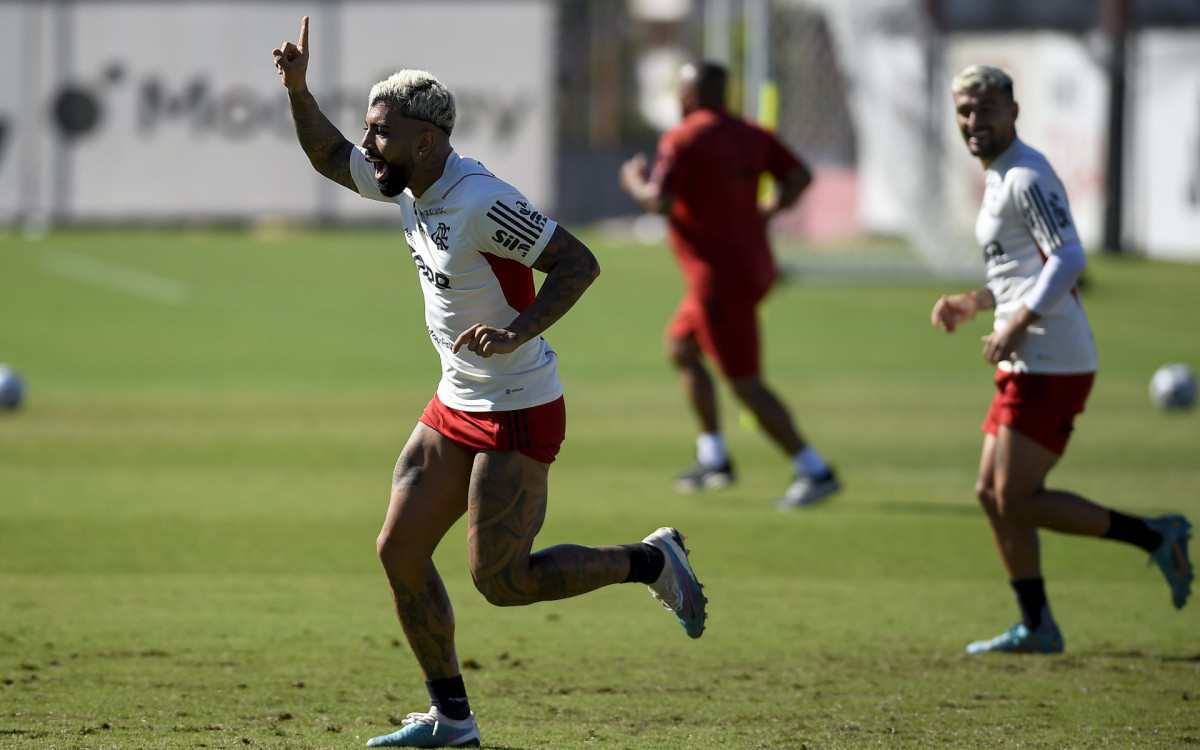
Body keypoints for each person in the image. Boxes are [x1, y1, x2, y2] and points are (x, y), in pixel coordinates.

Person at [272, 18, 706, 747]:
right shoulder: (405, 183)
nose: (369, 144)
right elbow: (327, 154)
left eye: (382, 132)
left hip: (518, 406)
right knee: (399, 551)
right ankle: (453, 720)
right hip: (454, 400)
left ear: (427, 141)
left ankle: (653, 560)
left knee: (502, 583)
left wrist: (518, 331)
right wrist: (298, 90)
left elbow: (579, 263)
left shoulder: (480, 200)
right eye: (370, 130)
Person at [932, 64, 1192, 654]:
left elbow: (1069, 258)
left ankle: (1155, 535)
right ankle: (1037, 624)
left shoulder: (1026, 175)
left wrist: (1020, 323)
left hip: (1051, 360)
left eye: (986, 109)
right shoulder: (1000, 178)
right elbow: (1021, 271)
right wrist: (975, 302)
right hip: (1025, 359)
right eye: (965, 111)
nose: (974, 122)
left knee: (1017, 499)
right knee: (989, 494)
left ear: (1013, 112)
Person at [619, 61, 840, 509]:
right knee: (681, 347)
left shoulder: (683, 137)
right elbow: (800, 176)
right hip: (755, 265)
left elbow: (658, 201)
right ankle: (713, 456)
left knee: (745, 383)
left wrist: (632, 180)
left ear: (688, 96)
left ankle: (813, 468)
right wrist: (768, 209)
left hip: (719, 280)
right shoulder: (751, 133)